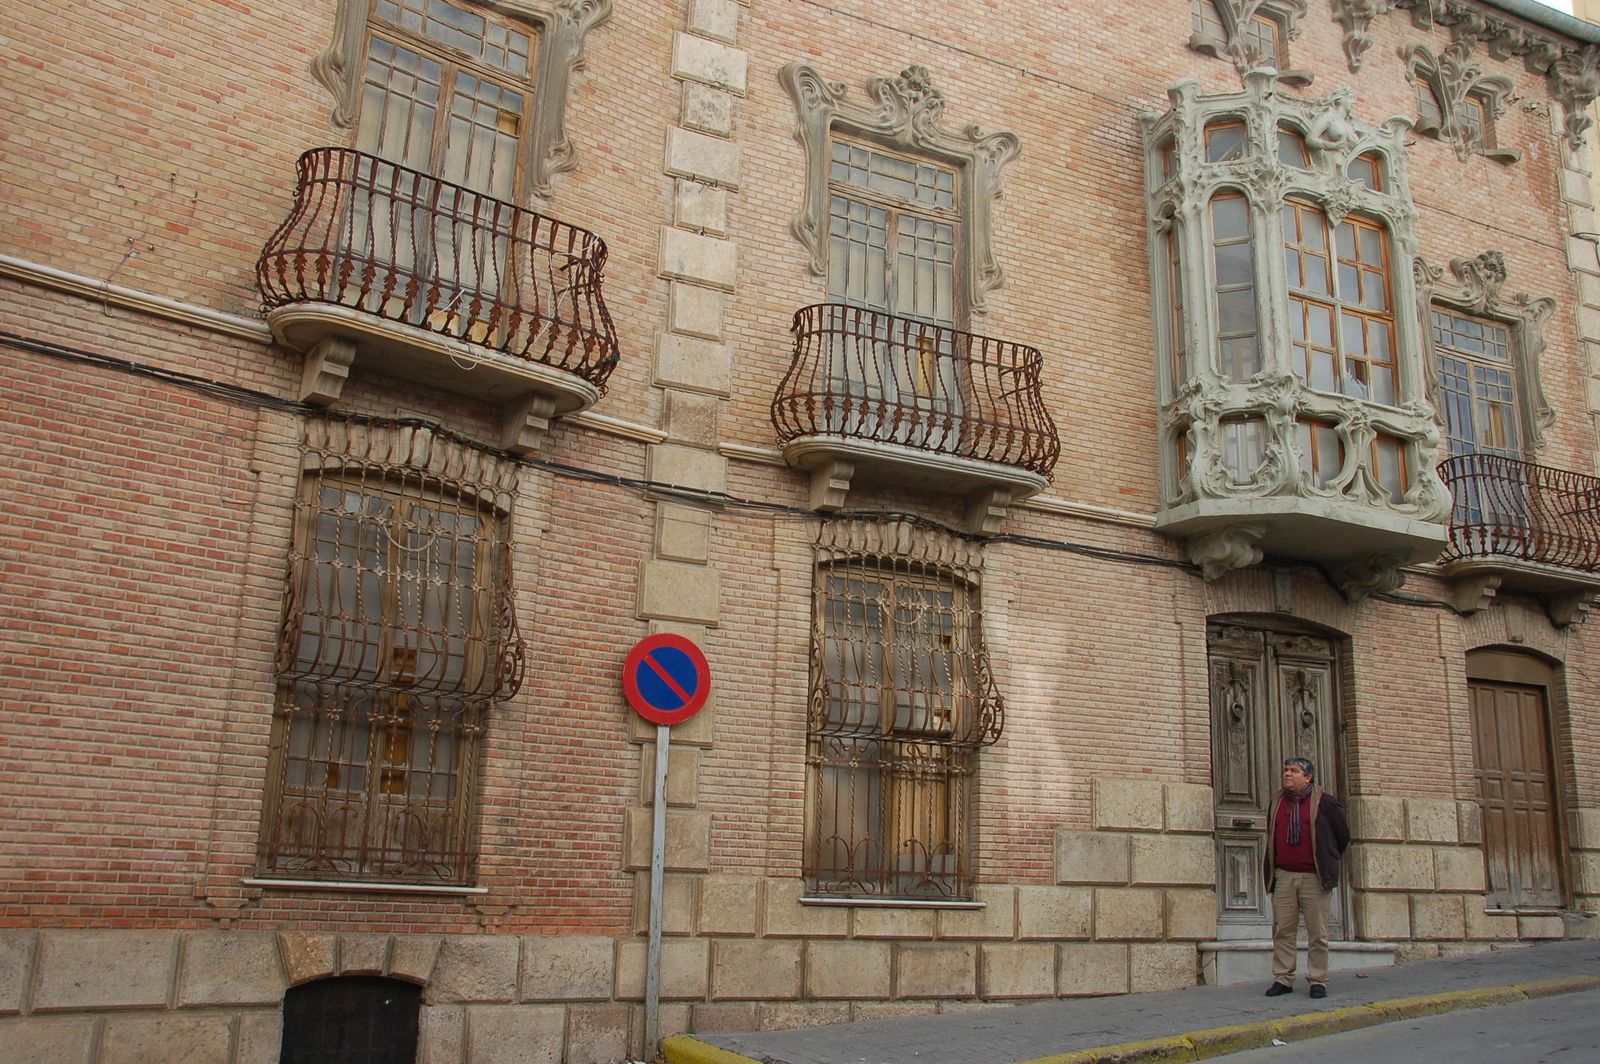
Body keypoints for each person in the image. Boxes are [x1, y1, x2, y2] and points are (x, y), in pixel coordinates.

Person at [1262, 756, 1350, 1000]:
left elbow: (1342, 836)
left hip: (1314, 877)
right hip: (1284, 875)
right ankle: (1283, 978)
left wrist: (1327, 858)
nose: (1287, 774)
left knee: (1317, 933)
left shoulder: (1325, 803)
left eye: (1294, 771)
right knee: (1284, 930)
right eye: (1286, 770)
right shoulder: (1277, 801)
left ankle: (1317, 979)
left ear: (1308, 777)